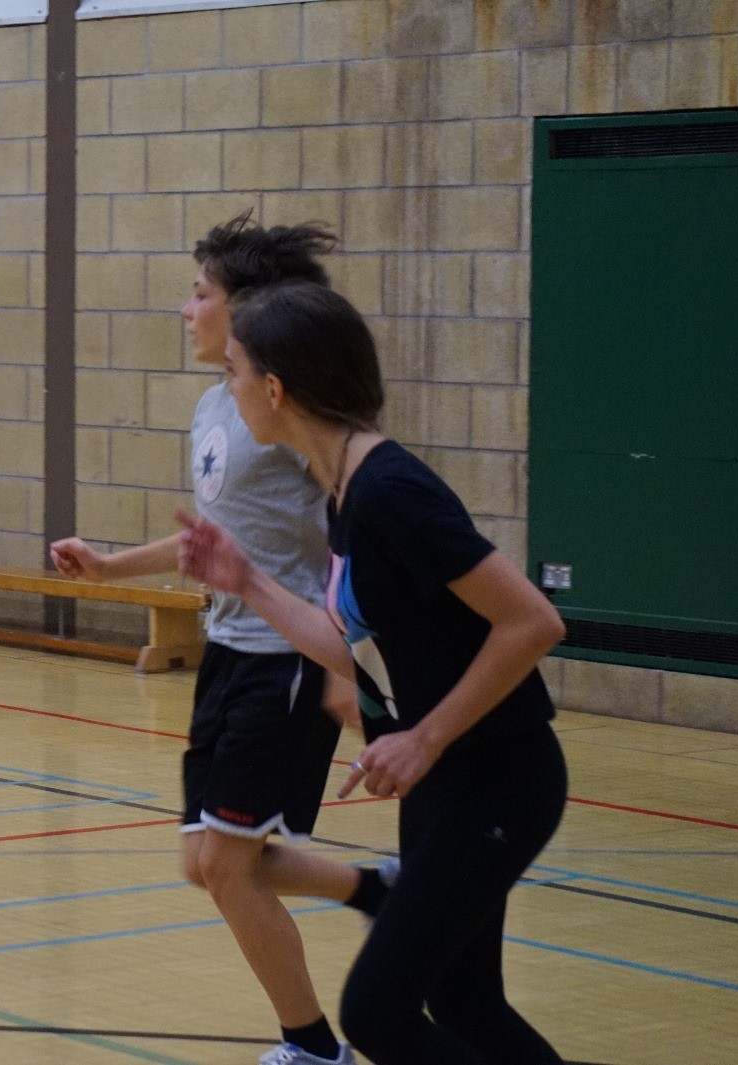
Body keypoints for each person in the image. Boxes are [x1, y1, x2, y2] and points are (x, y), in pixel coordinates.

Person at [177, 279, 569, 1065]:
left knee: (376, 1010)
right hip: (447, 783)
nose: (229, 387)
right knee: (464, 1001)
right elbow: (344, 640)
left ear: (275, 390)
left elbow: (533, 621)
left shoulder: (392, 491)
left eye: (236, 370)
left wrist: (423, 737)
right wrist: (246, 580)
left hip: (498, 779)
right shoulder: (345, 493)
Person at [49, 214, 394, 1065]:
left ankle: (312, 1047)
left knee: (228, 867)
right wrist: (111, 566)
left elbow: (353, 532)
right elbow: (215, 540)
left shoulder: (290, 411)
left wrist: (345, 661)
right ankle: (374, 887)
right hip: (227, 650)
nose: (186, 308)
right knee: (201, 861)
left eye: (200, 293)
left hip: (287, 660)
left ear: (246, 310)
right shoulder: (217, 402)